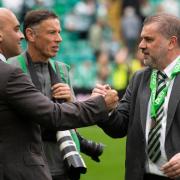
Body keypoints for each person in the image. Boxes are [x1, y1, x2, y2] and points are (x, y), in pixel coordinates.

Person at [0, 8, 118, 180]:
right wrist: (98, 103)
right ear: (31, 35)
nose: (59, 39)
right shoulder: (11, 69)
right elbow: (51, 115)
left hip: (64, 161)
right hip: (31, 162)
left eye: (60, 32)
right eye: (52, 33)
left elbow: (68, 118)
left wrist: (71, 100)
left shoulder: (62, 69)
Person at [93, 13, 180, 180]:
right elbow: (119, 126)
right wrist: (105, 108)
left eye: (149, 39)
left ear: (172, 42)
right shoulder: (139, 78)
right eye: (141, 39)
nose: (141, 45)